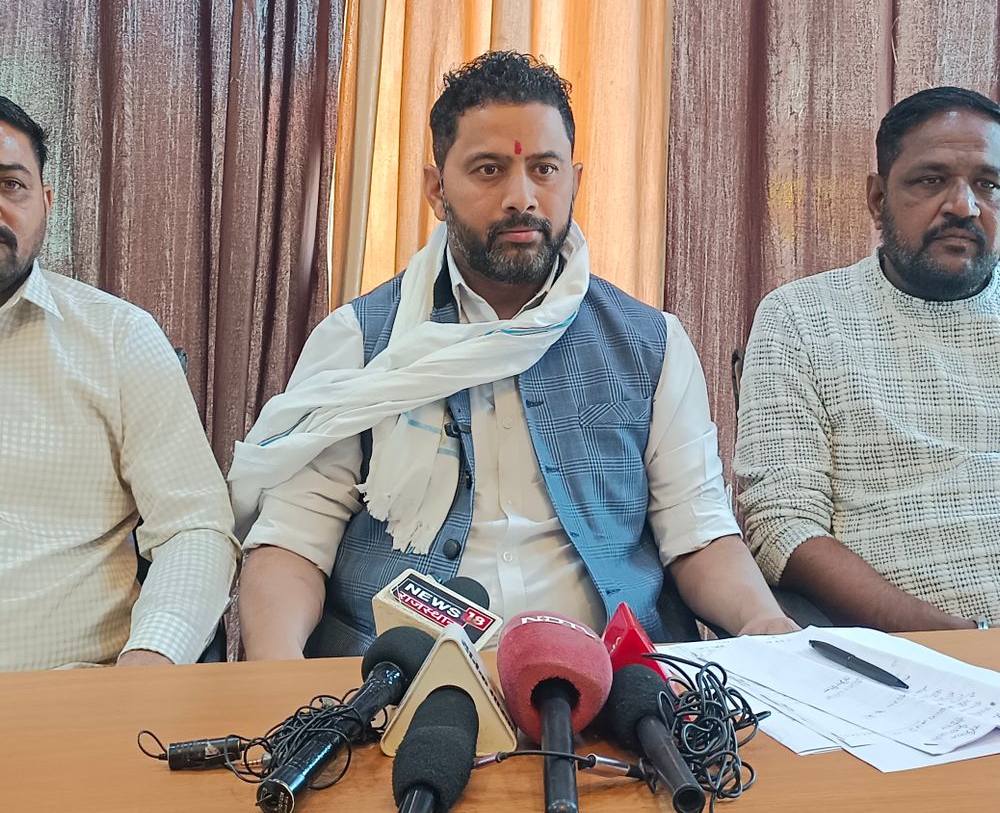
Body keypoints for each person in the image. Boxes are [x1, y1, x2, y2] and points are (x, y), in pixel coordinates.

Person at [231, 51, 794, 659]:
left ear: (575, 180)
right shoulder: (362, 341)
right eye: (489, 170)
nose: (521, 198)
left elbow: (699, 533)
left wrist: (766, 624)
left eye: (544, 169)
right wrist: (277, 679)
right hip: (398, 681)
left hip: (609, 680)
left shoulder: (650, 343)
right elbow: (294, 540)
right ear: (436, 190)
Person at [736, 86, 1000, 631]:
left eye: (989, 185)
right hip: (909, 654)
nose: (964, 206)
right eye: (931, 180)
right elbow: (783, 525)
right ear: (878, 199)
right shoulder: (803, 317)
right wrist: (955, 645)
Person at [0, 96, 238, 670]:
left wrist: (150, 663)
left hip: (72, 699)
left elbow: (194, 528)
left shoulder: (118, 337)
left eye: (10, 185)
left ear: (45, 204)